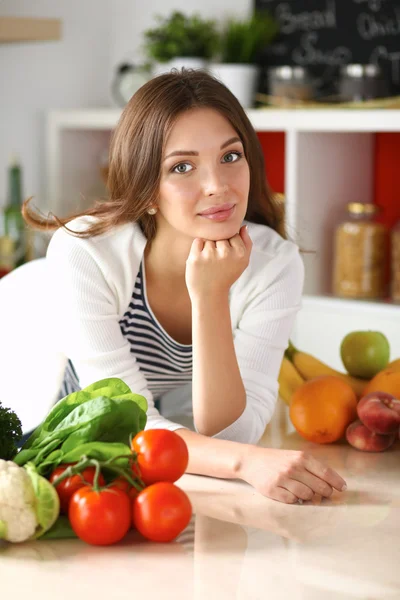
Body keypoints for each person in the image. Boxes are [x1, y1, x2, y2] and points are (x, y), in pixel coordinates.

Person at [22, 68, 347, 504]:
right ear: (148, 190)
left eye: (231, 157)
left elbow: (234, 431)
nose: (218, 187)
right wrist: (245, 462)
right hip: (75, 459)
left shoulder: (274, 264)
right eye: (182, 167)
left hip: (180, 466)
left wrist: (210, 296)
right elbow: (127, 419)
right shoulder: (86, 254)